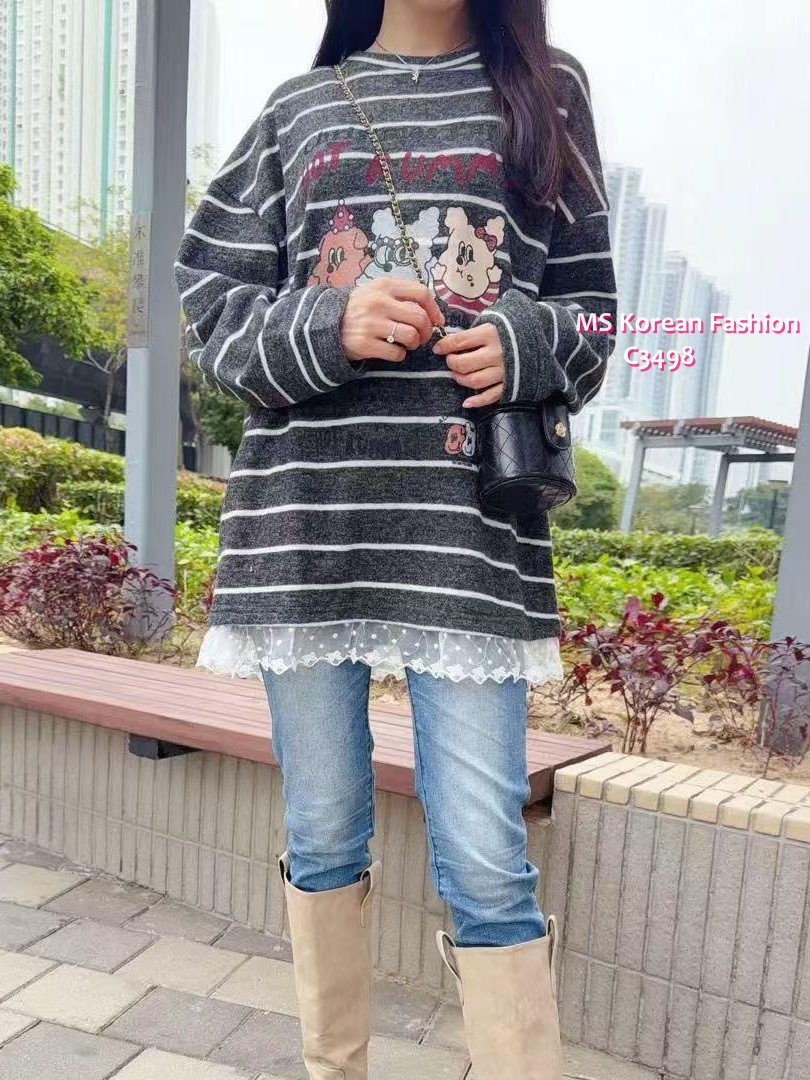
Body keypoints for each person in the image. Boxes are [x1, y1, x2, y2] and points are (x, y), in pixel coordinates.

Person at [175, 1, 617, 1076]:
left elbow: (595, 314)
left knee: (487, 861)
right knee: (325, 833)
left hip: (467, 536)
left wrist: (525, 341)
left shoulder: (545, 92)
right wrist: (331, 324)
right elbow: (211, 302)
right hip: (305, 531)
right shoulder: (299, 108)